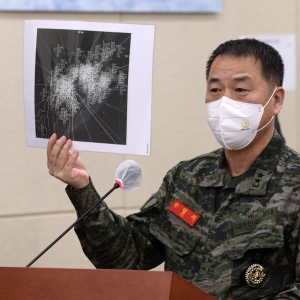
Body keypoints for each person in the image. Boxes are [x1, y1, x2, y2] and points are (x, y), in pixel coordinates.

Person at [47, 38, 300, 300]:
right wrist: (81, 187)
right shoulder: (187, 178)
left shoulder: (295, 184)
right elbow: (127, 258)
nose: (225, 102)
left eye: (240, 90)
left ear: (276, 99)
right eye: (215, 90)